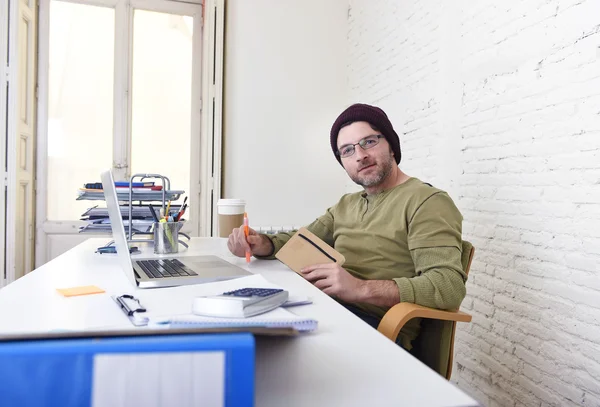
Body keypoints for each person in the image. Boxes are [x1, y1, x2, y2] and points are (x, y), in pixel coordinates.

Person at [227, 103, 467, 350]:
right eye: (348, 150)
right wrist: (260, 243)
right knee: (239, 329)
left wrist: (360, 288)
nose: (360, 156)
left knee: (262, 351)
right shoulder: (346, 204)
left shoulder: (426, 201)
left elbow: (448, 286)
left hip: (375, 327)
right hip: (327, 308)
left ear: (392, 146)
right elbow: (300, 241)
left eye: (369, 142)